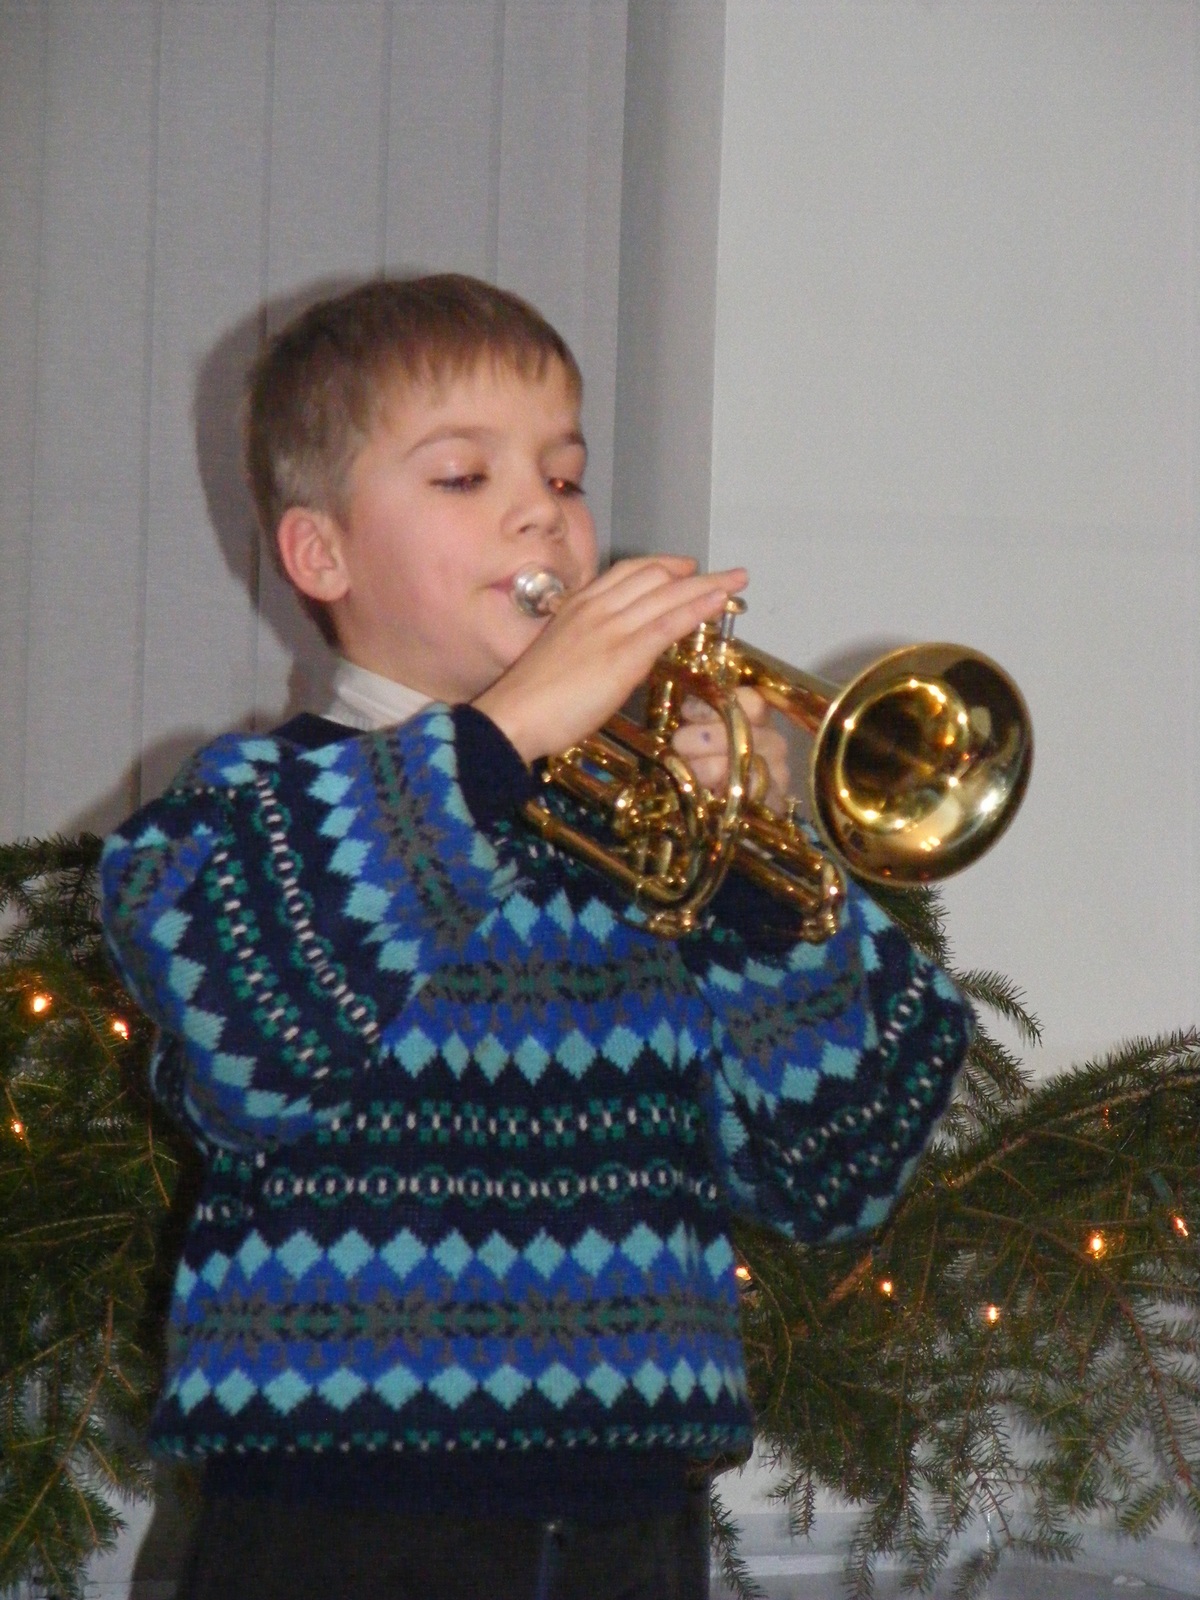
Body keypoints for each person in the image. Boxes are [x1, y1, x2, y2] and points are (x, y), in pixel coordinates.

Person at [100, 274, 972, 1600]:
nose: (540, 513)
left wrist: (753, 872)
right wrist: (500, 744)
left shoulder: (657, 845)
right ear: (320, 556)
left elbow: (839, 1172)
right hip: (336, 1520)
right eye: (465, 475)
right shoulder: (248, 805)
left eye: (565, 477)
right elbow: (250, 1039)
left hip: (636, 1525)